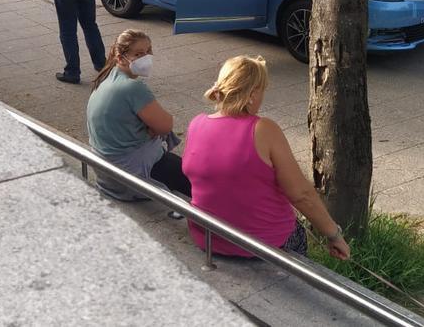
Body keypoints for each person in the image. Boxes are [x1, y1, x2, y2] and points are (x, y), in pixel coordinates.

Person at [182, 55, 350, 260]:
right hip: (262, 243)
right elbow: (301, 194)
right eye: (263, 90)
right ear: (252, 94)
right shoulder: (263, 129)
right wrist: (333, 234)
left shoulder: (197, 124)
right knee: (297, 236)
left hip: (207, 236)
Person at [86, 29, 191, 200]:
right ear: (121, 58)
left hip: (107, 172)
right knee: (199, 181)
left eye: (148, 51)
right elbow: (166, 125)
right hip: (131, 172)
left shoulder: (106, 77)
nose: (146, 57)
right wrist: (151, 130)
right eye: (139, 54)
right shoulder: (133, 88)